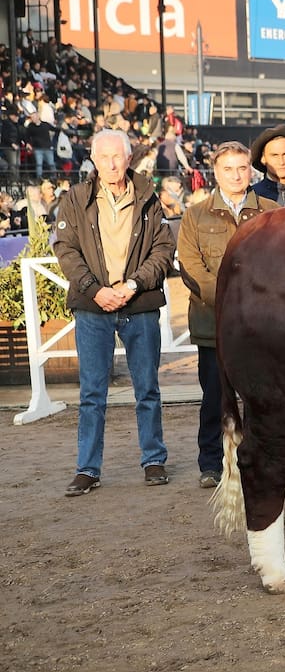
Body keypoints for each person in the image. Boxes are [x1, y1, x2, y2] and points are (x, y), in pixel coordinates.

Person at [53, 129, 176, 496]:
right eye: (102, 156)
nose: (110, 164)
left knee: (147, 389)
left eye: (117, 156)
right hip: (93, 307)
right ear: (92, 158)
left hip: (139, 304)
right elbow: (66, 250)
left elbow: (162, 250)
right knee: (92, 393)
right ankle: (88, 468)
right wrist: (97, 291)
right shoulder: (75, 199)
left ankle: (153, 460)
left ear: (129, 158)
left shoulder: (149, 197)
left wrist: (133, 285)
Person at [176, 141, 278, 488]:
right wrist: (226, 299)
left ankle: (260, 458)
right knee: (215, 396)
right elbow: (191, 266)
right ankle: (211, 463)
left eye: (241, 168)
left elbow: (281, 264)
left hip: (262, 324)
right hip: (213, 324)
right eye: (228, 169)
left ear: (251, 170)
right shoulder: (195, 215)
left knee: (261, 395)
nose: (236, 176)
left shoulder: (271, 211)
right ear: (215, 173)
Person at [25, 110, 54, 179]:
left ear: (38, 117)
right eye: (31, 118)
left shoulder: (45, 124)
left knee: (51, 163)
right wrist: (28, 143)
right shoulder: (30, 126)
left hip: (47, 147)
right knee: (39, 164)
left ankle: (54, 177)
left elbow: (54, 129)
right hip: (37, 148)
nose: (32, 119)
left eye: (33, 117)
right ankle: (39, 178)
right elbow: (27, 136)